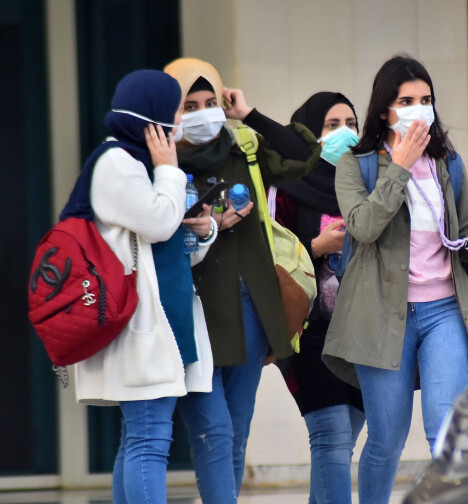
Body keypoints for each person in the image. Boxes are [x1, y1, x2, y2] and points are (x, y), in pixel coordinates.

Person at [322, 55, 468, 504]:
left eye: (426, 99)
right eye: (406, 101)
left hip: (444, 310)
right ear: (385, 110)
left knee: (444, 432)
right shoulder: (356, 164)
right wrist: (399, 166)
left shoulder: (448, 163)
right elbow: (362, 228)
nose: (419, 109)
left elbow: (462, 230)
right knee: (387, 440)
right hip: (382, 315)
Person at [162, 57, 321, 498]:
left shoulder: (244, 146)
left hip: (250, 306)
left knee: (235, 431)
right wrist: (209, 226)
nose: (203, 114)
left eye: (210, 102)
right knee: (213, 432)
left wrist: (247, 113)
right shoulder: (161, 163)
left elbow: (302, 155)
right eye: (189, 106)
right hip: (193, 310)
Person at [72, 70, 217, 504]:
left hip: (167, 320)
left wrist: (204, 231)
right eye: (174, 110)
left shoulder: (141, 163)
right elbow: (156, 224)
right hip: (142, 325)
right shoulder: (116, 163)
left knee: (141, 436)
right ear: (150, 116)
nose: (179, 121)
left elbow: (172, 249)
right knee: (149, 439)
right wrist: (169, 170)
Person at [272, 92, 366, 504]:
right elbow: (271, 256)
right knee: (331, 435)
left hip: (360, 333)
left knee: (344, 440)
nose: (345, 133)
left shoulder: (367, 183)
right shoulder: (287, 187)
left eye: (351, 124)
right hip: (308, 334)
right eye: (332, 125)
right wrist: (316, 247)